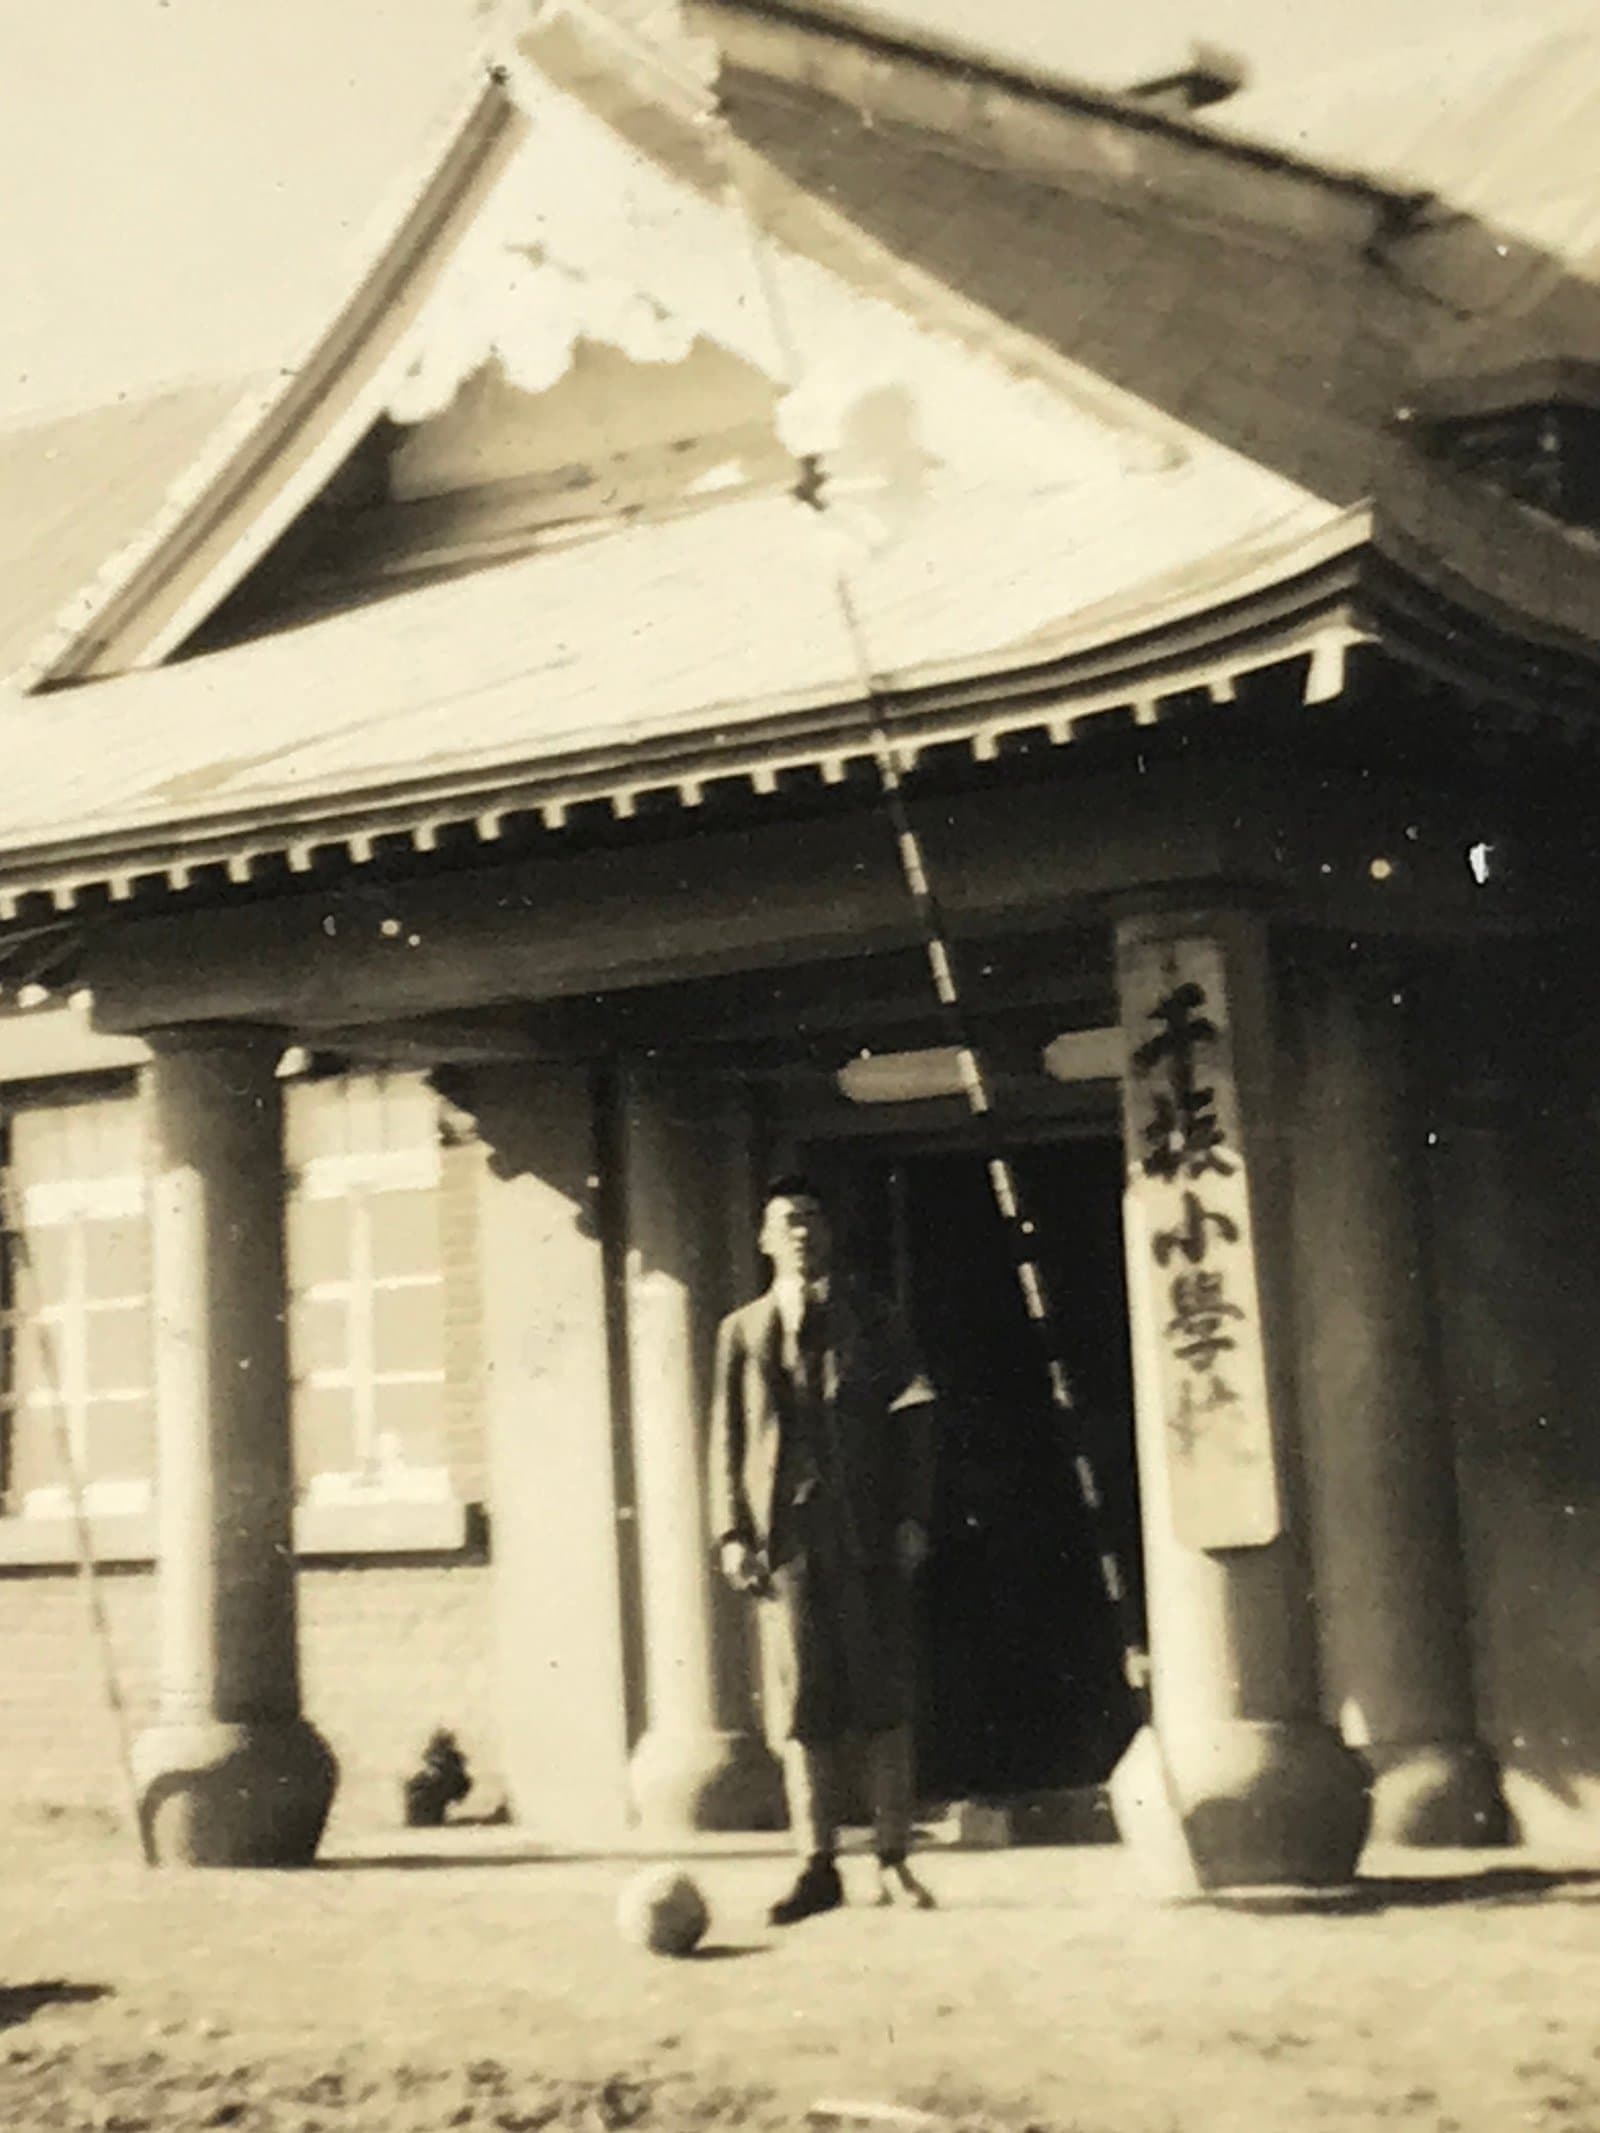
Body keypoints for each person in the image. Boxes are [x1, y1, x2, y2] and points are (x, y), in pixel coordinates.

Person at [708, 1176, 939, 1925]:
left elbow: (914, 1419)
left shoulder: (875, 1317)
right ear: (764, 1240)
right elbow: (727, 1440)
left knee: (882, 1693)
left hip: (867, 1529)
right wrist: (731, 1532)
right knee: (803, 1698)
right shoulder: (742, 1330)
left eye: (812, 1217)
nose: (801, 1232)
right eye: (786, 1221)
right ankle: (816, 1864)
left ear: (829, 1233)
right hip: (789, 1538)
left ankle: (895, 1859)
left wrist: (912, 1515)